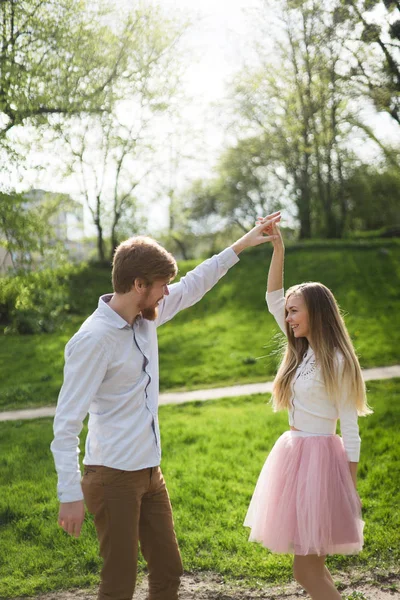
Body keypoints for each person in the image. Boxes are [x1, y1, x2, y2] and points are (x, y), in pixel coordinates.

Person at [50, 212, 281, 600]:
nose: (166, 293)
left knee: (168, 570)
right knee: (120, 581)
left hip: (150, 472)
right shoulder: (93, 339)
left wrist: (242, 244)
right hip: (112, 476)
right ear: (138, 284)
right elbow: (66, 423)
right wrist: (68, 493)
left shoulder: (145, 318)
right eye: (160, 286)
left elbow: (194, 283)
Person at [244, 220, 372, 600]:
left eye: (294, 311)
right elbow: (272, 298)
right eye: (287, 313)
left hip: (320, 464)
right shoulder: (302, 352)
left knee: (305, 571)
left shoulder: (336, 361)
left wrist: (346, 491)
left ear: (316, 311)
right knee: (311, 569)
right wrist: (277, 249)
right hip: (295, 457)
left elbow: (351, 431)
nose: (287, 318)